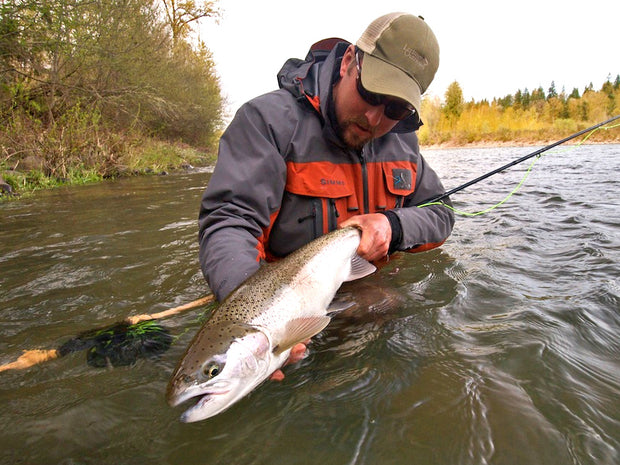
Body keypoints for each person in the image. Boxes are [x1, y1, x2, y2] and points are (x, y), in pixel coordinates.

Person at [198, 12, 454, 303]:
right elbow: (230, 222)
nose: (373, 117)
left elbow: (440, 212)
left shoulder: (403, 141)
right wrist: (258, 310)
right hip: (284, 300)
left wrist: (393, 226)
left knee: (382, 305)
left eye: (395, 109)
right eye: (370, 92)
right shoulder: (267, 123)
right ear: (348, 62)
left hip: (370, 297)